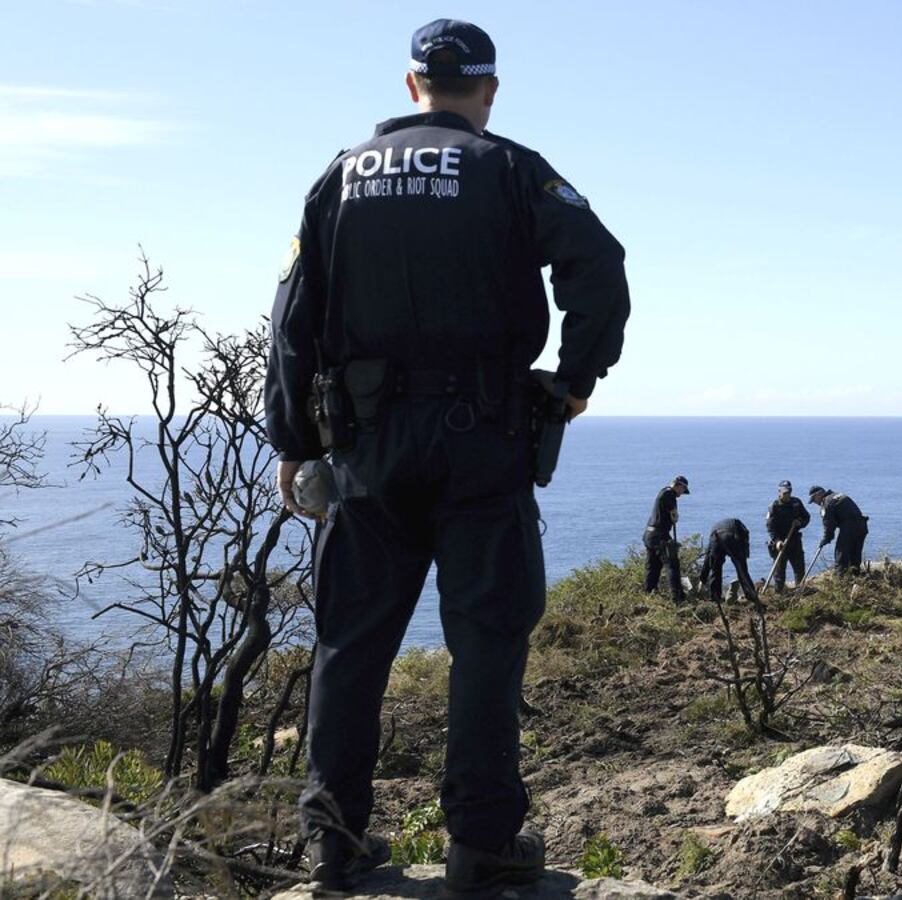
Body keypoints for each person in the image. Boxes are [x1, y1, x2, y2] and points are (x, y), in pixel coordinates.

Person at [265, 18, 630, 895]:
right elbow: (601, 266)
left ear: (411, 85)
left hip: (366, 450)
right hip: (485, 439)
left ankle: (335, 846)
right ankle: (483, 847)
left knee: (350, 648)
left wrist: (294, 441)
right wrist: (574, 382)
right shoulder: (511, 168)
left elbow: (290, 319)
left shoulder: (340, 174)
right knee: (487, 644)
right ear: (489, 90)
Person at [643, 476, 690, 602]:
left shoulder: (663, 492)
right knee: (672, 565)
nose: (681, 494)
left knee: (653, 566)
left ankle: (649, 593)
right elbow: (674, 516)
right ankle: (678, 597)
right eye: (683, 490)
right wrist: (675, 517)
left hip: (649, 534)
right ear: (680, 486)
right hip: (660, 536)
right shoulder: (670, 494)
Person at [809, 486, 869, 574]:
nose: (815, 502)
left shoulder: (826, 503)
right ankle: (856, 578)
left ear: (819, 494)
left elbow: (829, 525)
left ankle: (840, 581)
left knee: (841, 557)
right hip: (862, 525)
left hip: (849, 527)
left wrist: (825, 539)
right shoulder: (837, 495)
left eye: (814, 499)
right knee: (855, 555)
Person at [765, 480, 811, 591]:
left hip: (794, 540)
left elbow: (806, 517)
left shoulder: (796, 503)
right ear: (779, 492)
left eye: (789, 492)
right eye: (785, 493)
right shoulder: (774, 507)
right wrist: (777, 541)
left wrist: (800, 523)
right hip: (780, 543)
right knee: (779, 571)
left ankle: (800, 590)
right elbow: (770, 527)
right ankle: (779, 593)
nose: (787, 495)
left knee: (799, 568)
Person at [701, 517, 760, 603]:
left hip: (716, 537)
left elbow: (708, 558)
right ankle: (751, 596)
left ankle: (715, 598)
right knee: (742, 570)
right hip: (732, 536)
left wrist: (702, 578)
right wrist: (743, 557)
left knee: (715, 568)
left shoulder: (714, 530)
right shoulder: (742, 529)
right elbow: (744, 545)